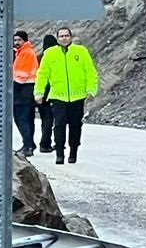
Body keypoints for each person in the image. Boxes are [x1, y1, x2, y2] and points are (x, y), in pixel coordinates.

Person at [34, 26, 98, 165]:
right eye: (61, 36)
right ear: (58, 38)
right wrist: (39, 92)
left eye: (66, 35)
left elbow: (90, 71)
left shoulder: (81, 51)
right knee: (59, 124)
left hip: (78, 96)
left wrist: (91, 90)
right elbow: (42, 74)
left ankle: (73, 151)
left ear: (71, 37)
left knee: (75, 125)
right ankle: (59, 153)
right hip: (58, 96)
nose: (64, 38)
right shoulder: (50, 54)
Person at [11, 30, 40, 158]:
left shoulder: (26, 53)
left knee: (21, 119)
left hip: (23, 89)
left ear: (25, 41)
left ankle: (27, 145)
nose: (16, 42)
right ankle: (29, 144)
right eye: (15, 40)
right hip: (27, 89)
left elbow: (22, 75)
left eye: (19, 40)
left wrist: (13, 88)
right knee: (27, 119)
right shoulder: (22, 52)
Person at [37, 34, 58, 154]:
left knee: (45, 119)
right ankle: (45, 144)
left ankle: (45, 143)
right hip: (52, 93)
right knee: (50, 120)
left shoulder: (38, 58)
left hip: (40, 94)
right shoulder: (55, 58)